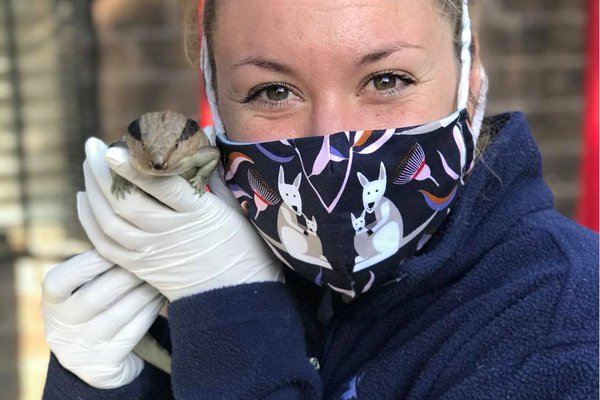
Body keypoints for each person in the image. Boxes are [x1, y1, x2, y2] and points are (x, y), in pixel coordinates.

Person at [41, 0, 599, 398]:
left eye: (387, 80)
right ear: (215, 98)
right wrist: (107, 385)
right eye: (273, 91)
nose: (332, 141)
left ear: (469, 73)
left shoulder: (566, 334)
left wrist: (233, 315)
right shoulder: (191, 280)